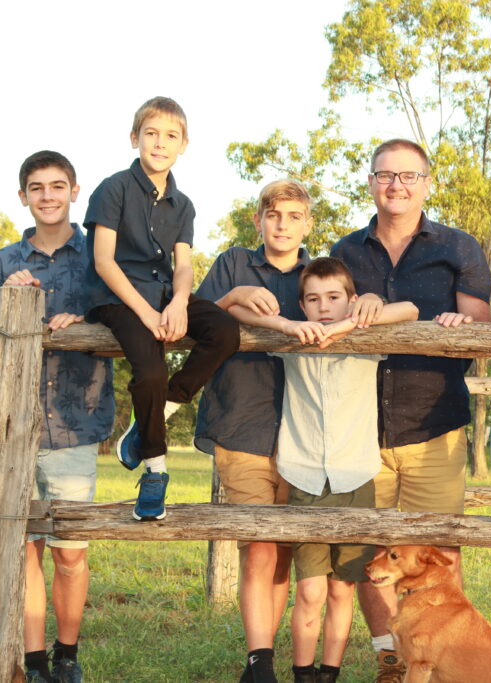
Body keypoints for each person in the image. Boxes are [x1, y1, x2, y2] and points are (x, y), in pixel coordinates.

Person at [329, 139, 491, 682]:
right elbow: (322, 310)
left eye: (408, 175)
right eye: (385, 175)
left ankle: (444, 658)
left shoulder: (459, 247)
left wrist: (460, 326)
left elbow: (479, 324)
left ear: (427, 182)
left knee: (438, 551)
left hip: (434, 422)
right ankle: (390, 657)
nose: (396, 185)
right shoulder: (346, 253)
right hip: (360, 427)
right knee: (373, 554)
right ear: (370, 181)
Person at [0, 151, 116, 683]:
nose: (47, 195)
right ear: (23, 196)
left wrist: (87, 324)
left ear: (75, 191)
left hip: (78, 424)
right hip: (16, 428)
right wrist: (11, 304)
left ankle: (66, 656)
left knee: (70, 553)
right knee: (24, 545)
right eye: (36, 187)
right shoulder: (4, 263)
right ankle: (33, 662)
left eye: (57, 185)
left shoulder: (100, 260)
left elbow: (125, 331)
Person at [234, 257, 418, 683]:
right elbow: (235, 311)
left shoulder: (366, 340)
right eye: (313, 300)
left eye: (334, 298)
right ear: (301, 304)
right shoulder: (293, 342)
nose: (323, 307)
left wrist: (348, 324)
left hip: (356, 479)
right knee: (311, 589)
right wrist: (285, 326)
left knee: (342, 589)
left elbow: (408, 310)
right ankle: (302, 673)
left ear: (350, 300)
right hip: (304, 480)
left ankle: (329, 673)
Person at [83, 96, 240, 522]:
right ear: (135, 138)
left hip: (163, 292)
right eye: (151, 133)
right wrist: (149, 315)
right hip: (117, 298)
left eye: (171, 135)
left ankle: (166, 405)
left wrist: (178, 303)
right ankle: (154, 469)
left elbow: (184, 265)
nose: (160, 142)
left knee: (225, 331)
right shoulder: (113, 188)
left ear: (184, 145)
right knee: (151, 371)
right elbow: (103, 261)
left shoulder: (183, 204)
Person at [194, 179, 314, 682]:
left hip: (306, 427)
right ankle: (259, 662)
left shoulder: (320, 273)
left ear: (307, 223)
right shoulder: (232, 265)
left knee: (283, 548)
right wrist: (237, 295)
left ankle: (268, 653)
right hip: (240, 418)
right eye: (273, 215)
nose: (282, 225)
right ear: (258, 220)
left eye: (292, 216)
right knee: (258, 545)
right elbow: (194, 320)